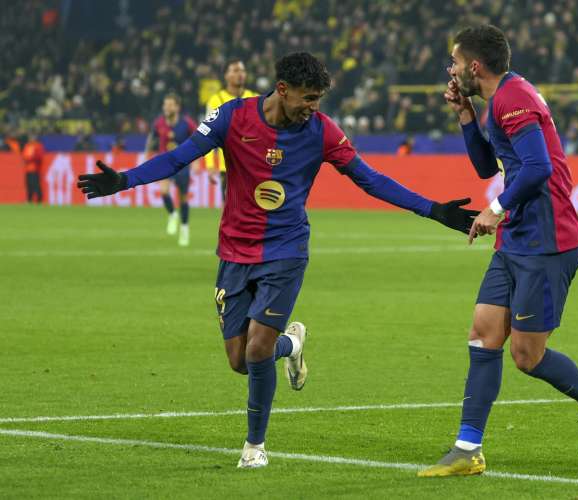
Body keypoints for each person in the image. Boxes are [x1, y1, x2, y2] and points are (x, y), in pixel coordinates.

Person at [77, 52, 478, 469]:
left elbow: (370, 179)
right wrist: (126, 179)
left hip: (285, 252)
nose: (314, 107)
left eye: (319, 98)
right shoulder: (232, 117)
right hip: (234, 251)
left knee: (255, 350)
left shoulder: (322, 132)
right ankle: (293, 343)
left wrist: (433, 210)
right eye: (308, 98)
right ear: (282, 90)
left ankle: (255, 446)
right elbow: (180, 156)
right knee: (239, 360)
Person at [417, 26, 578, 478]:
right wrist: (466, 117)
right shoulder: (497, 100)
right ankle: (468, 449)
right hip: (517, 240)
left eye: (453, 60)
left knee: (527, 357)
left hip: (549, 241)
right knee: (483, 334)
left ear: (474, 66)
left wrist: (495, 207)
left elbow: (539, 169)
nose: (448, 69)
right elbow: (490, 165)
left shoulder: (513, 97)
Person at [145, 92, 199, 246]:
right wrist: (147, 153)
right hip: (165, 163)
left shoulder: (186, 123)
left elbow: (199, 139)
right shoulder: (159, 122)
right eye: (165, 104)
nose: (166, 107)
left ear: (177, 107)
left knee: (183, 199)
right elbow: (152, 137)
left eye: (170, 105)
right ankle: (172, 214)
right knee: (163, 191)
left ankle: (184, 228)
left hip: (182, 164)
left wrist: (196, 160)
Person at [205, 59, 258, 201]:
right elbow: (207, 134)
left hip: (252, 165)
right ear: (226, 76)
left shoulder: (255, 98)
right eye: (235, 70)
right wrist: (210, 165)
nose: (240, 74)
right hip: (228, 167)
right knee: (231, 212)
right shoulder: (216, 100)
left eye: (242, 70)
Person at [22, 133, 45, 204]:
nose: (31, 138)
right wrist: (27, 159)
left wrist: (31, 158)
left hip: (35, 168)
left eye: (32, 137)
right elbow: (24, 155)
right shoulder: (27, 145)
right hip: (28, 169)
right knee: (29, 184)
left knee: (35, 184)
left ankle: (39, 199)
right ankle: (29, 199)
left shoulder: (38, 146)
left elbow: (39, 156)